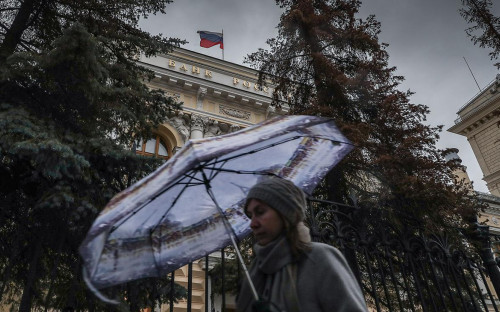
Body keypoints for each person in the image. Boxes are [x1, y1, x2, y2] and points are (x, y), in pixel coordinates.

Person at [236, 178, 368, 312]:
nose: (253, 224)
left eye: (260, 212)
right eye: (250, 215)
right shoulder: (255, 274)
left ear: (285, 213)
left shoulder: (319, 259)